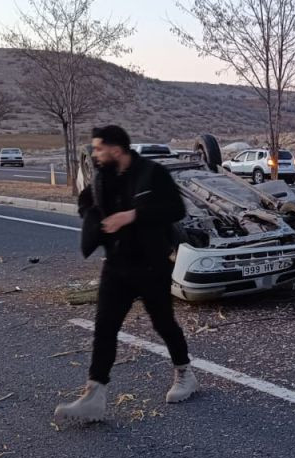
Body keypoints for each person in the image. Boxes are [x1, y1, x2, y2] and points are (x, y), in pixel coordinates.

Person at [55, 125, 197, 423]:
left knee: (163, 323)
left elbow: (176, 209)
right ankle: (94, 395)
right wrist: (93, 219)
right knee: (104, 328)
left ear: (116, 149)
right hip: (116, 265)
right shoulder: (102, 176)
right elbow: (86, 199)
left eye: (98, 148)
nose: (94, 153)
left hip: (151, 264)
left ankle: (185, 373)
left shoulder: (151, 173)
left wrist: (132, 215)